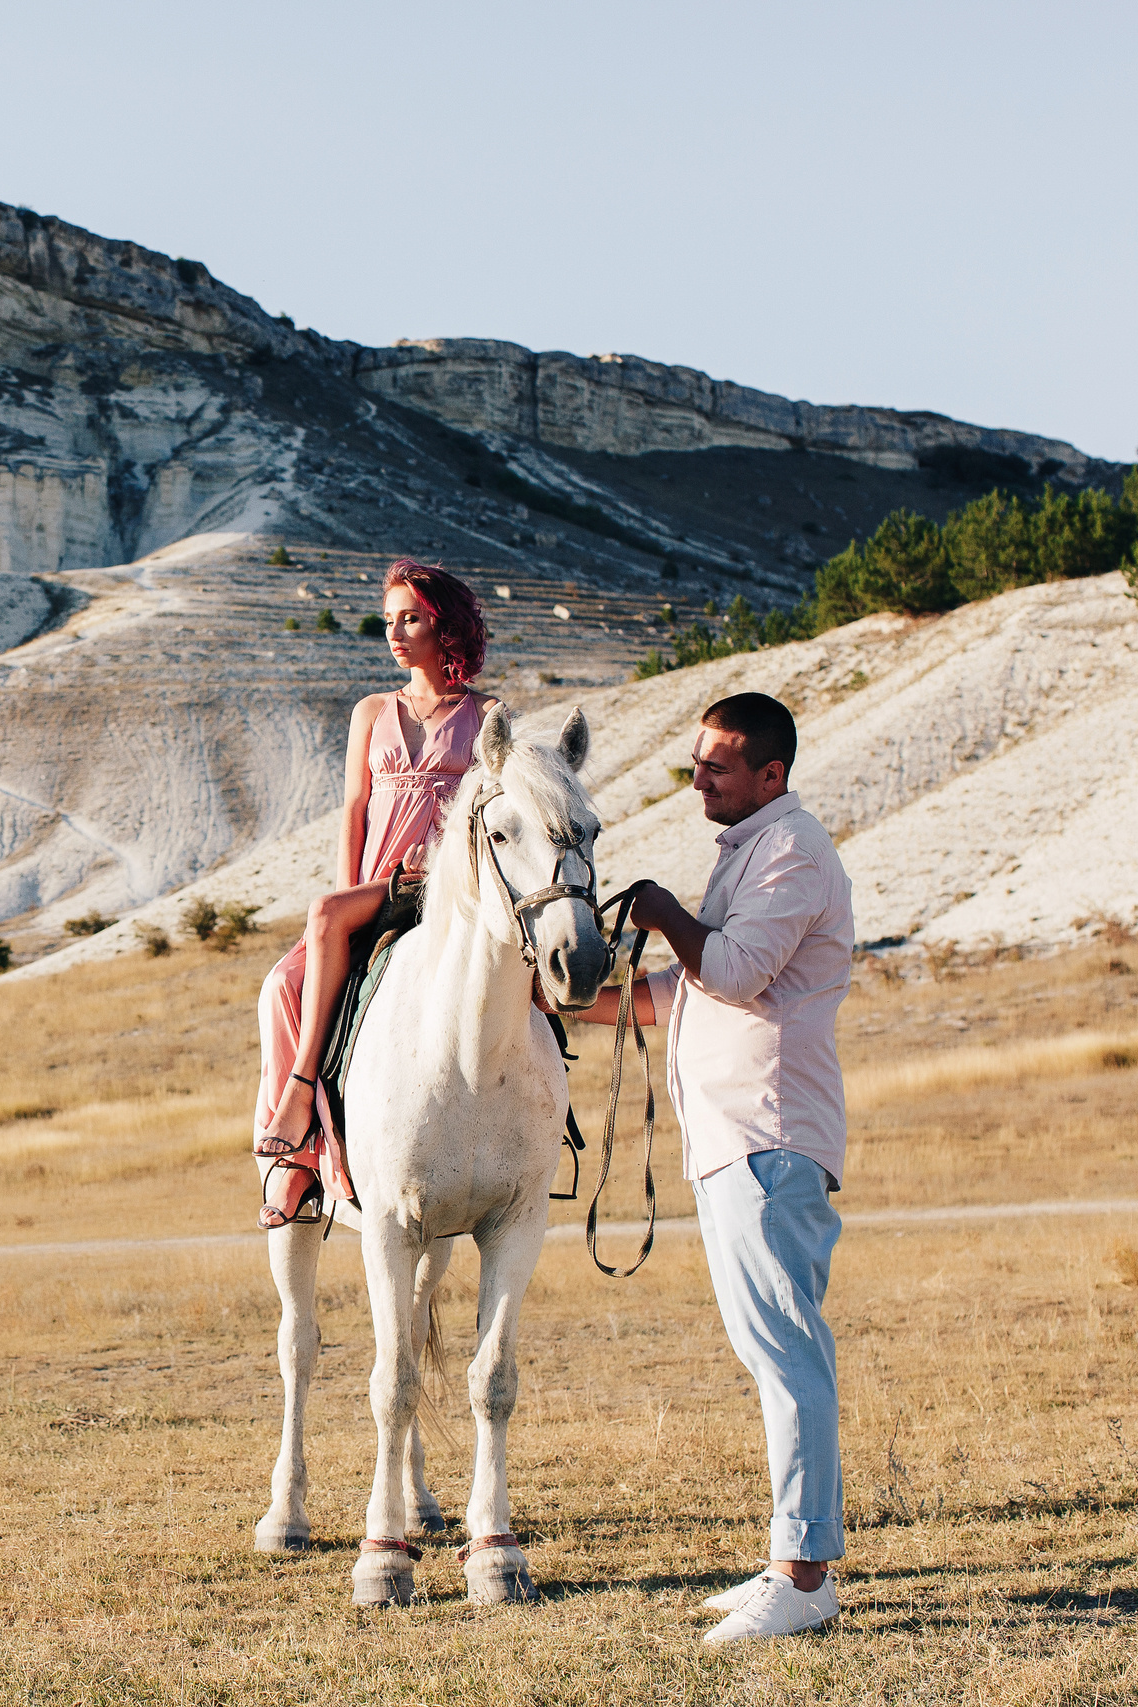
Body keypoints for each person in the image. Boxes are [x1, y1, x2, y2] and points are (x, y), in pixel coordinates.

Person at [563, 690, 854, 1643]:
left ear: (772, 774)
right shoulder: (752, 851)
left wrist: (662, 909)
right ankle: (790, 1560)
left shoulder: (795, 850)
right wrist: (566, 1002)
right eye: (697, 762)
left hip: (769, 1137)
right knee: (771, 1353)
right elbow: (686, 993)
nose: (700, 779)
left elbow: (728, 971)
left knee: (788, 1355)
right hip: (735, 1141)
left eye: (719, 766)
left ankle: (802, 1576)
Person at [255, 560, 498, 1228]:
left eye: (410, 617)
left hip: (452, 890)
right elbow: (354, 811)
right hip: (378, 886)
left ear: (444, 624)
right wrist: (345, 897)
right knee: (283, 982)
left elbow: (498, 814)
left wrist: (448, 856)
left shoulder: (488, 716)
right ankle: (301, 1154)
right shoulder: (371, 711)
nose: (394, 632)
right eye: (389, 620)